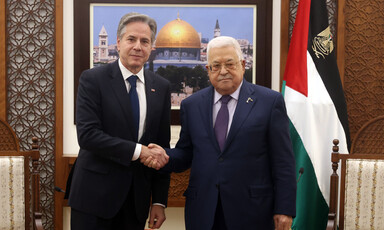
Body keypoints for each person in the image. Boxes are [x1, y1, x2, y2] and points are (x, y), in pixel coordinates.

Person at [147, 36, 296, 230]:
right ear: (208, 70)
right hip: (204, 210)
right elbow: (186, 152)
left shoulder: (269, 102)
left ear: (242, 65)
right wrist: (164, 156)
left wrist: (284, 209)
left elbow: (283, 161)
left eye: (230, 64)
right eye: (216, 66)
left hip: (253, 211)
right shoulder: (192, 105)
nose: (223, 71)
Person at [65, 12, 171, 230]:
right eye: (131, 39)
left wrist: (159, 201)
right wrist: (140, 151)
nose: (137, 47)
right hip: (93, 197)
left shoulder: (161, 87)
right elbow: (88, 136)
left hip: (136, 201)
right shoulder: (93, 79)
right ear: (119, 42)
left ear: (152, 47)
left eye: (145, 41)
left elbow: (161, 145)